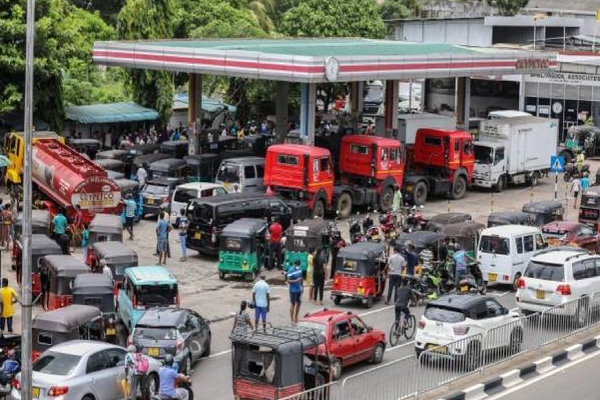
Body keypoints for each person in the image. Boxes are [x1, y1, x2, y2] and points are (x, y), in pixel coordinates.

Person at [287, 260, 303, 325]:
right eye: (297, 265)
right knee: (293, 304)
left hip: (299, 289)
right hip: (293, 290)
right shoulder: (290, 270)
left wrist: (302, 288)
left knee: (299, 303)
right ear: (294, 264)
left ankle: (296, 317)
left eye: (298, 265)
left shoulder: (300, 269)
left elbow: (301, 279)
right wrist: (296, 280)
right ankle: (292, 319)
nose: (298, 267)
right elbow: (288, 281)